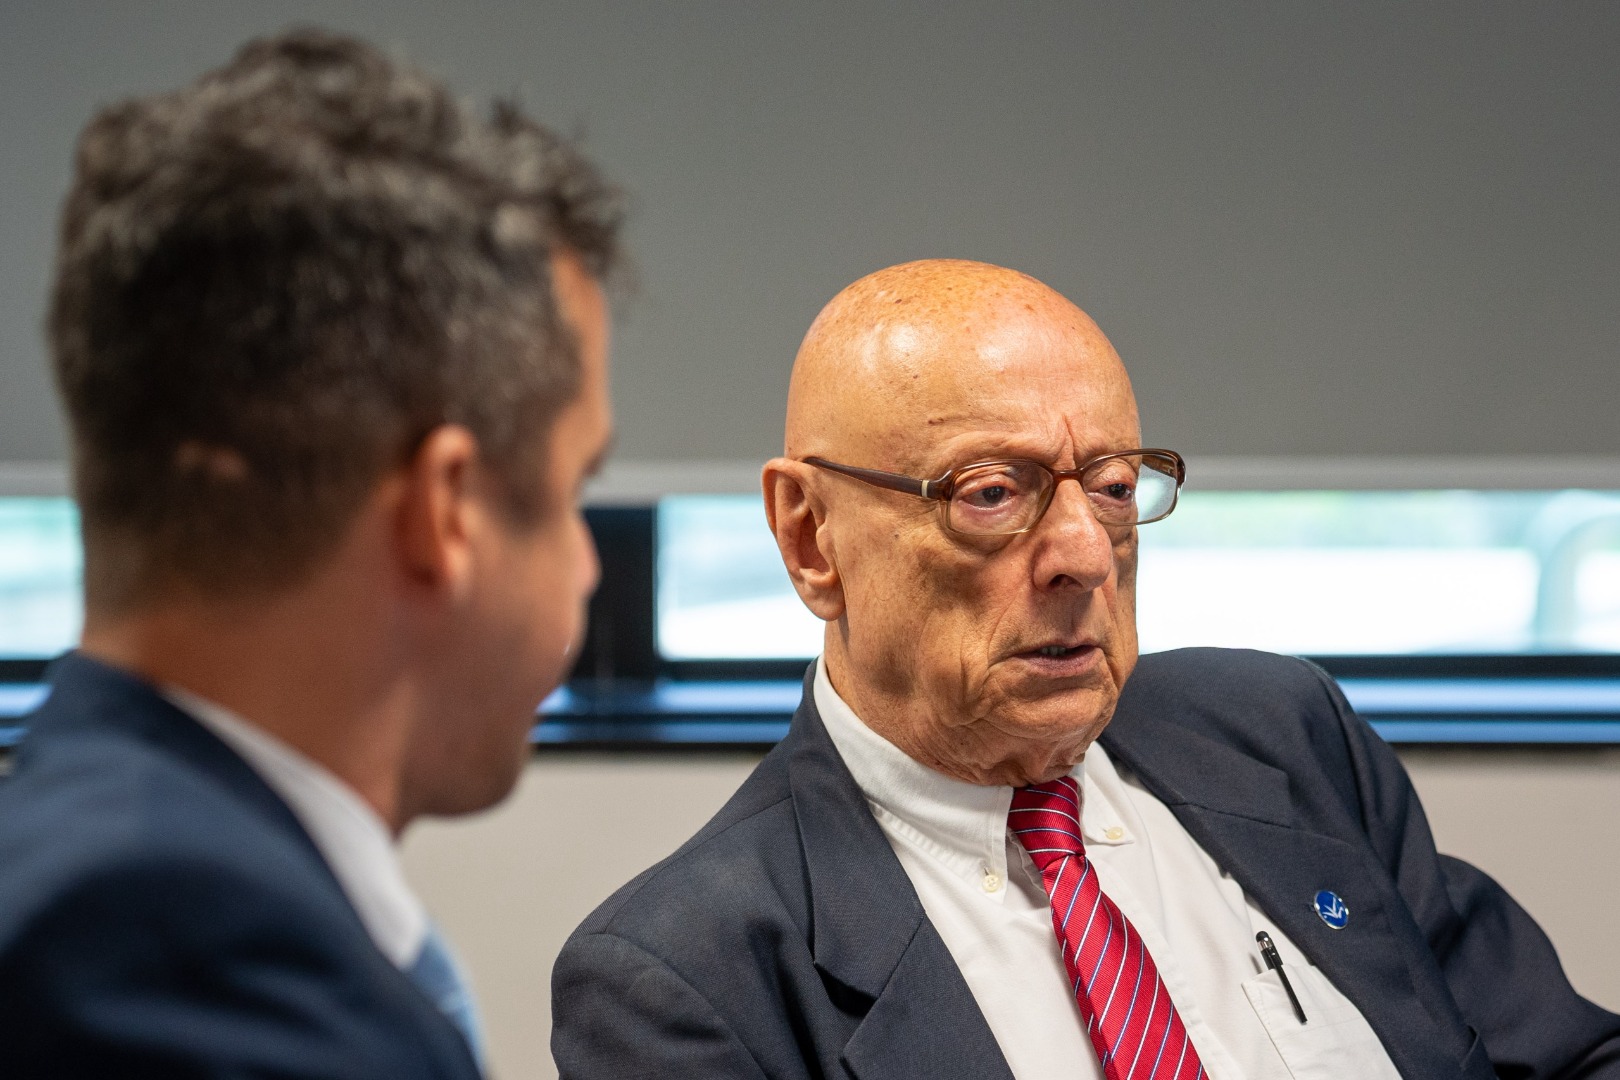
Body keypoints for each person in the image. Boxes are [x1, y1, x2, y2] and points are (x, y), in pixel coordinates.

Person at [551, 260, 1620, 1079]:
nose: (1082, 555)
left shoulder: (1282, 733)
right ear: (810, 538)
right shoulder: (688, 978)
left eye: (1111, 486)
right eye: (989, 493)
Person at [0, 29, 622, 1078]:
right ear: (447, 512)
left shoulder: (96, 863)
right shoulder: (182, 966)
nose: (590, 566)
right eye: (574, 491)